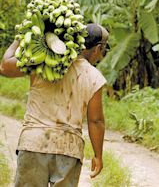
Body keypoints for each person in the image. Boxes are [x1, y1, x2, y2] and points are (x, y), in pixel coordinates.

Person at [0, 23, 109, 186]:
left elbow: (4, 67)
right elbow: (96, 121)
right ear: (97, 48)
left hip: (33, 143)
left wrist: (22, 36)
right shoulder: (93, 76)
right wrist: (98, 156)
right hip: (68, 148)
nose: (101, 57)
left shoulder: (43, 61)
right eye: (103, 51)